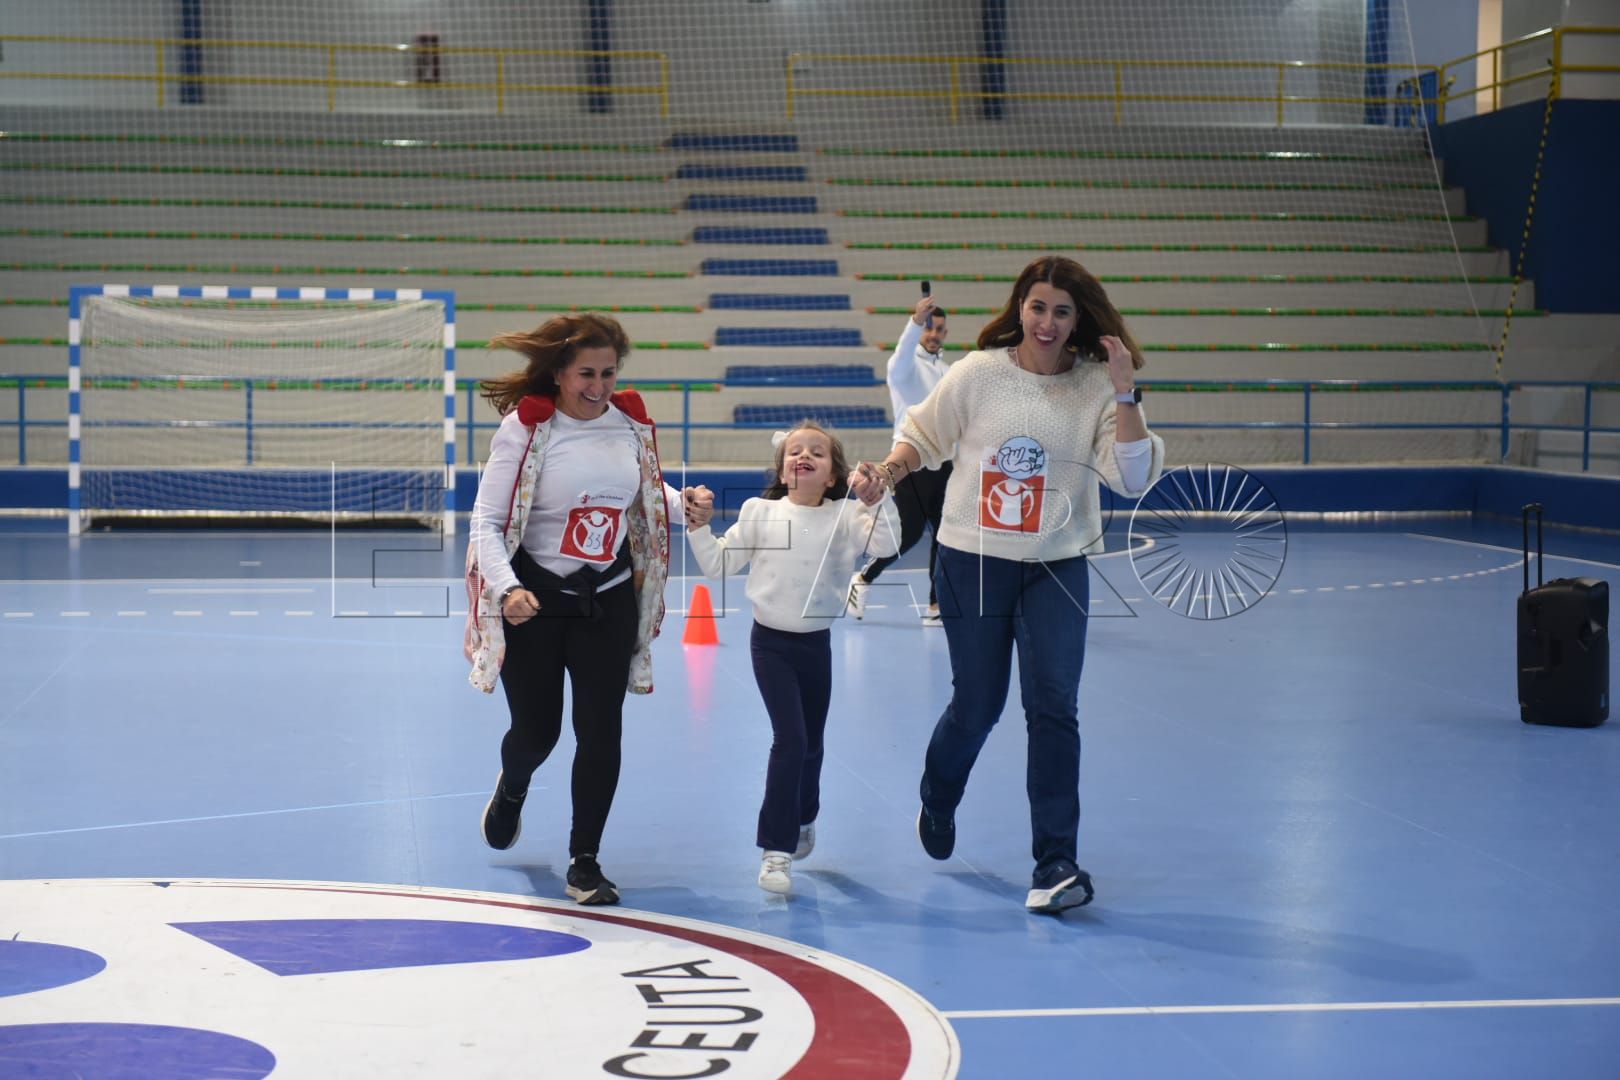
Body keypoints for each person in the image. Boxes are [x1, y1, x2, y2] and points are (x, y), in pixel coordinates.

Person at [860, 255, 1165, 915]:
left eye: (1062, 311)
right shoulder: (978, 373)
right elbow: (922, 435)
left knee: (1054, 707)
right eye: (1038, 307)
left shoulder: (1095, 387)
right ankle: (938, 796)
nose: (1048, 322)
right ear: (1019, 308)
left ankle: (1055, 862)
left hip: (1058, 563)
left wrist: (1124, 392)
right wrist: (887, 471)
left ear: (1079, 319)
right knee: (978, 705)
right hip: (972, 560)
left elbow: (1133, 477)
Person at [462, 312, 697, 907]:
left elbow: (646, 491)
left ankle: (584, 861)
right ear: (560, 374)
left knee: (600, 731)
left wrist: (683, 503)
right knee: (536, 733)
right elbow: (486, 522)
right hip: (534, 603)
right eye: (586, 374)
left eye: (608, 373)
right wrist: (506, 590)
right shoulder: (527, 430)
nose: (598, 385)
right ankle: (513, 785)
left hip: (607, 599)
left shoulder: (629, 426)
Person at [684, 422, 899, 895]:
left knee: (812, 743)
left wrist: (878, 499)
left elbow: (887, 546)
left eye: (817, 453)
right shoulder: (760, 512)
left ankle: (805, 816)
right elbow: (718, 563)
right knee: (791, 739)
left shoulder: (848, 516)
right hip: (771, 645)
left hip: (816, 645)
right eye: (794, 451)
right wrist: (698, 526)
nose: (804, 456)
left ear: (832, 475)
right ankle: (775, 852)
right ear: (782, 471)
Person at [848, 293, 952, 625]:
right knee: (908, 535)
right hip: (910, 461)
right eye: (929, 328)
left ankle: (936, 603)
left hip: (945, 464)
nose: (934, 334)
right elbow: (900, 356)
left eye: (940, 329)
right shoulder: (906, 369)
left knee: (945, 534)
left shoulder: (948, 372)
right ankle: (864, 578)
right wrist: (915, 321)